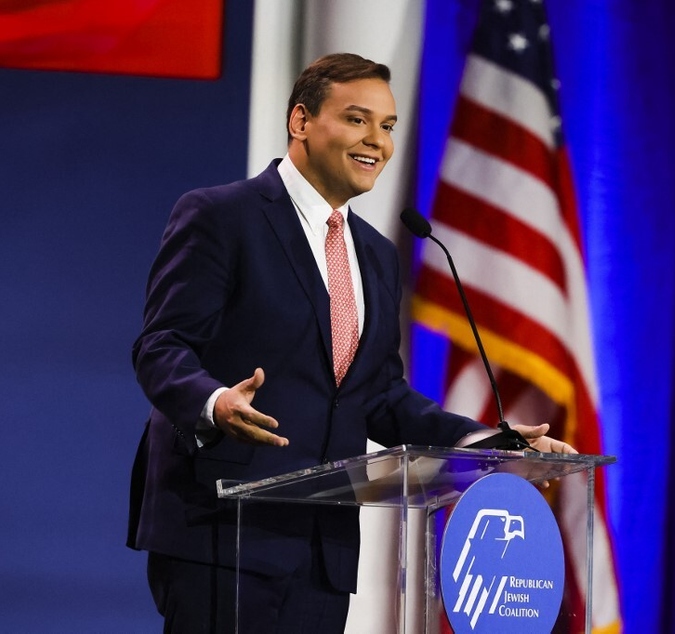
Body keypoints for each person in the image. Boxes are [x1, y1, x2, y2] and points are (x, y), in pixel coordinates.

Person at [127, 52, 575, 633]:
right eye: (357, 119)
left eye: (387, 126)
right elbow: (161, 346)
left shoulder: (375, 253)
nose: (378, 142)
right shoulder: (221, 216)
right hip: (222, 527)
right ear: (301, 121)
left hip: (322, 550)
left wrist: (491, 443)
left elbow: (381, 398)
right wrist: (214, 402)